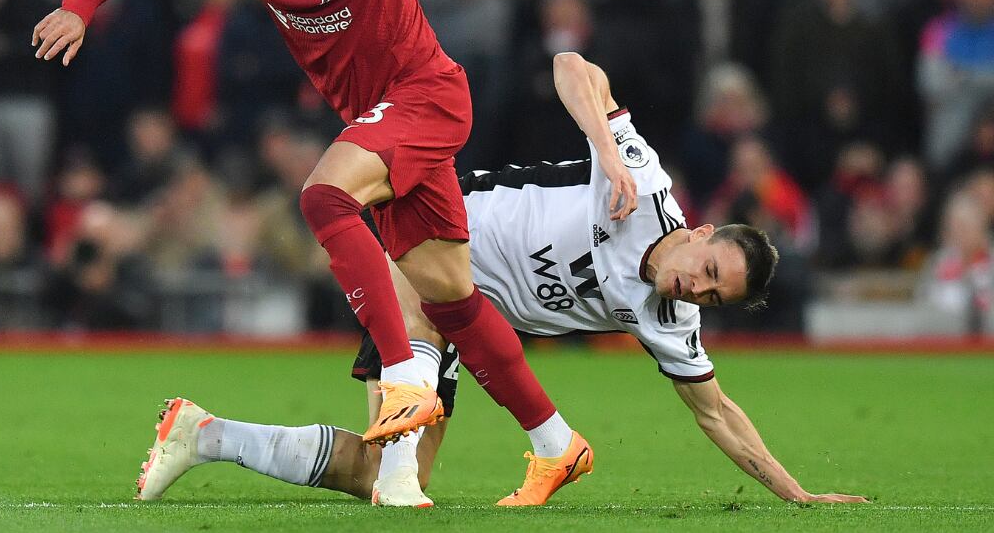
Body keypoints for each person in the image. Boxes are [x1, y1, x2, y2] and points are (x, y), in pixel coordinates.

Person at [32, 0, 631, 504]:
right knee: (453, 300)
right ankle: (556, 444)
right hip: (383, 124)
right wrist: (79, 4)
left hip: (426, 98)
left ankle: (405, 379)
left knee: (322, 197)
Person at [134, 54, 868, 508]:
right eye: (706, 271)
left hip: (464, 322)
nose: (694, 290)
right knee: (403, 451)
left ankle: (203, 435)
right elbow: (570, 65)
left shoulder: (668, 320)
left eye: (712, 296)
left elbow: (717, 412)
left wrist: (794, 492)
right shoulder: (640, 188)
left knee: (378, 473)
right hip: (424, 234)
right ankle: (528, 439)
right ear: (701, 232)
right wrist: (608, 151)